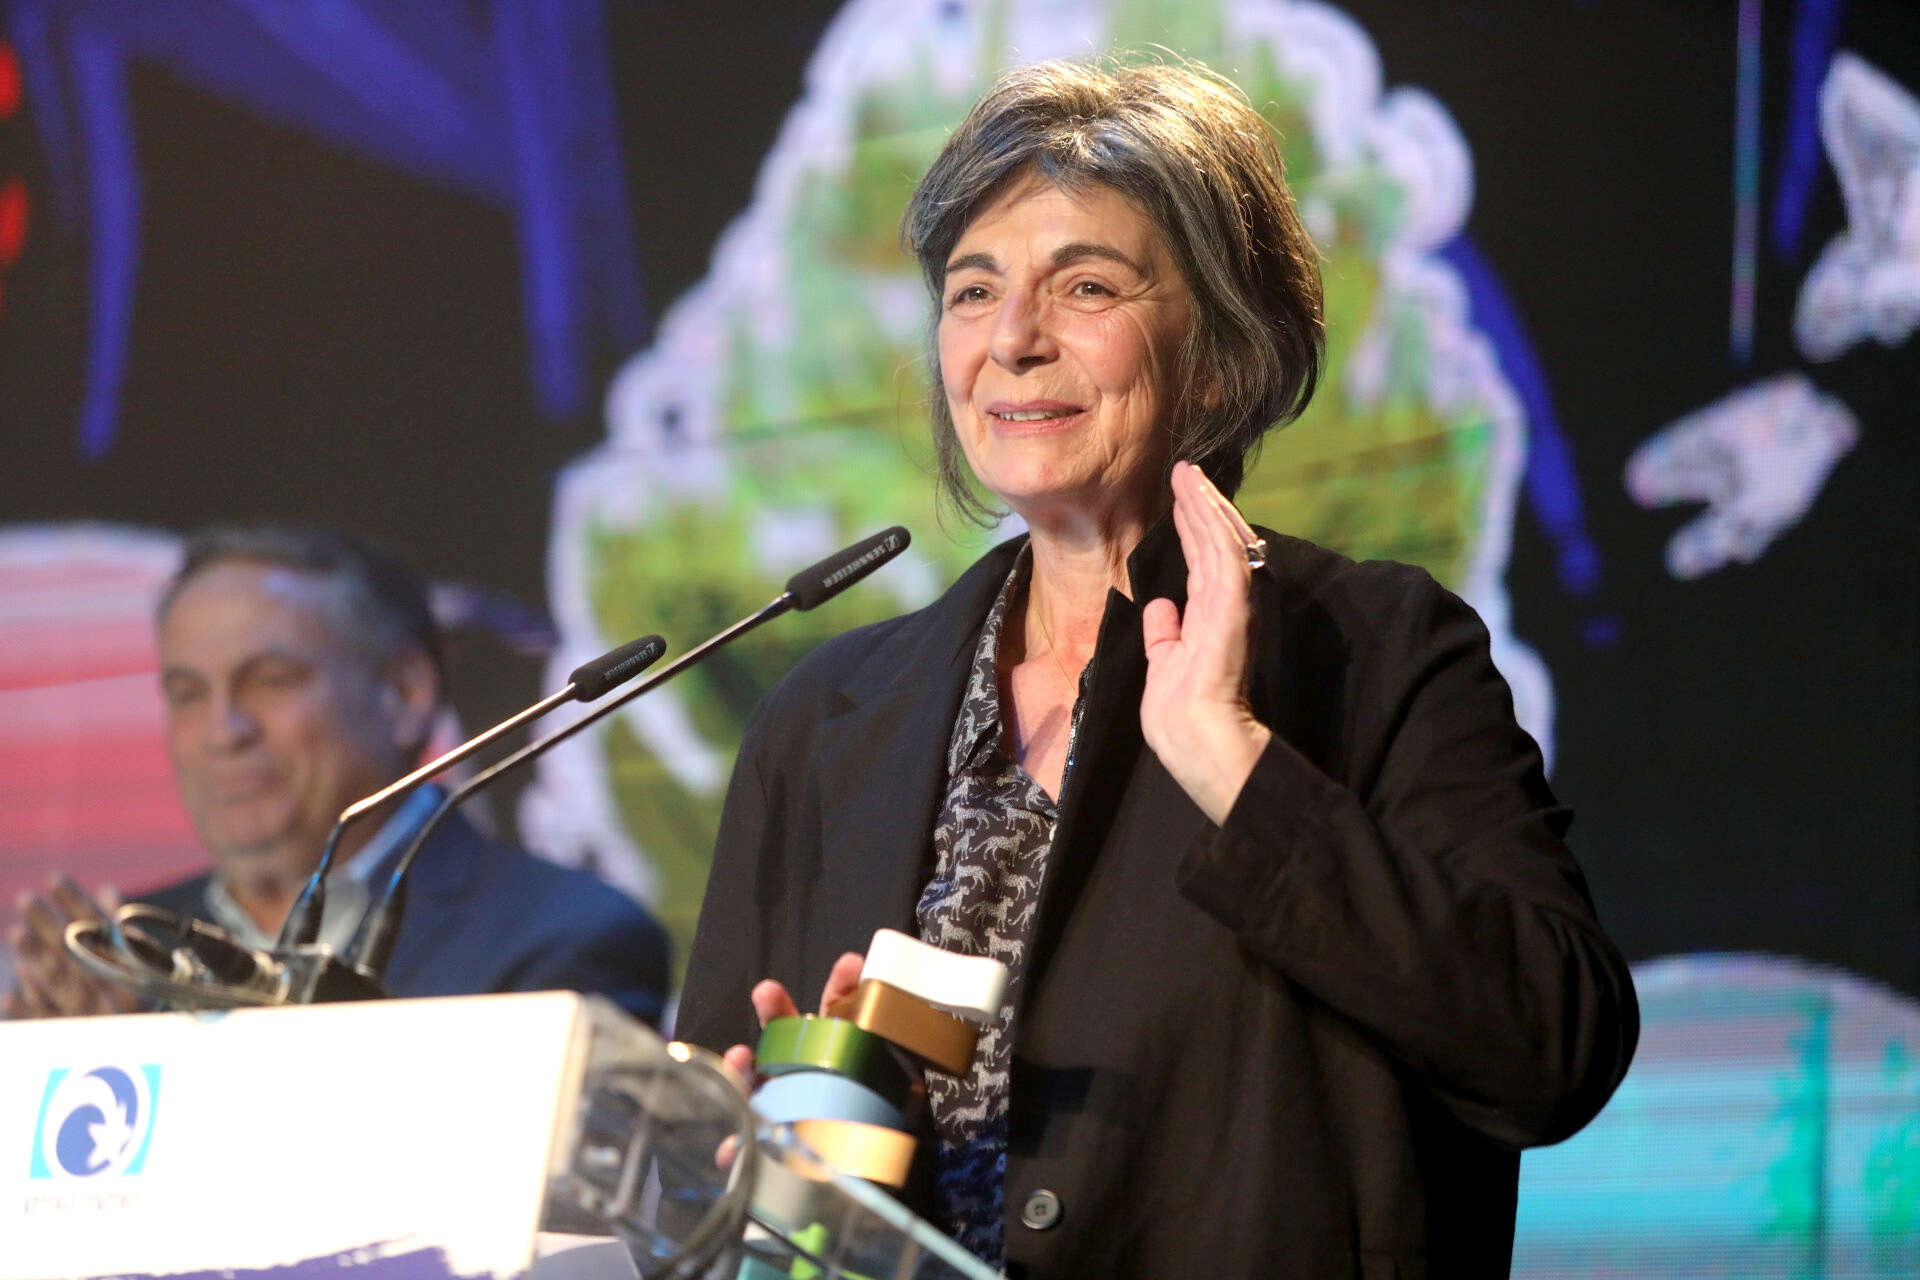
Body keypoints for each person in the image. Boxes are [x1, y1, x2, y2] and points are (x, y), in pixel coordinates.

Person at [676, 60, 1639, 1277]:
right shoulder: (823, 720)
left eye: (1086, 286)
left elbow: (1551, 1049)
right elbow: (708, 1180)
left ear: (1223, 352)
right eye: (974, 291)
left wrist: (1235, 763)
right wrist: (805, 1172)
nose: (1013, 339)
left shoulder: (1374, 656)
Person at [4, 525, 671, 1026]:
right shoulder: (120, 957)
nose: (223, 732)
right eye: (187, 694)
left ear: (405, 693)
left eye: (270, 680)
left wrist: (147, 1062)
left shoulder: (562, 941)